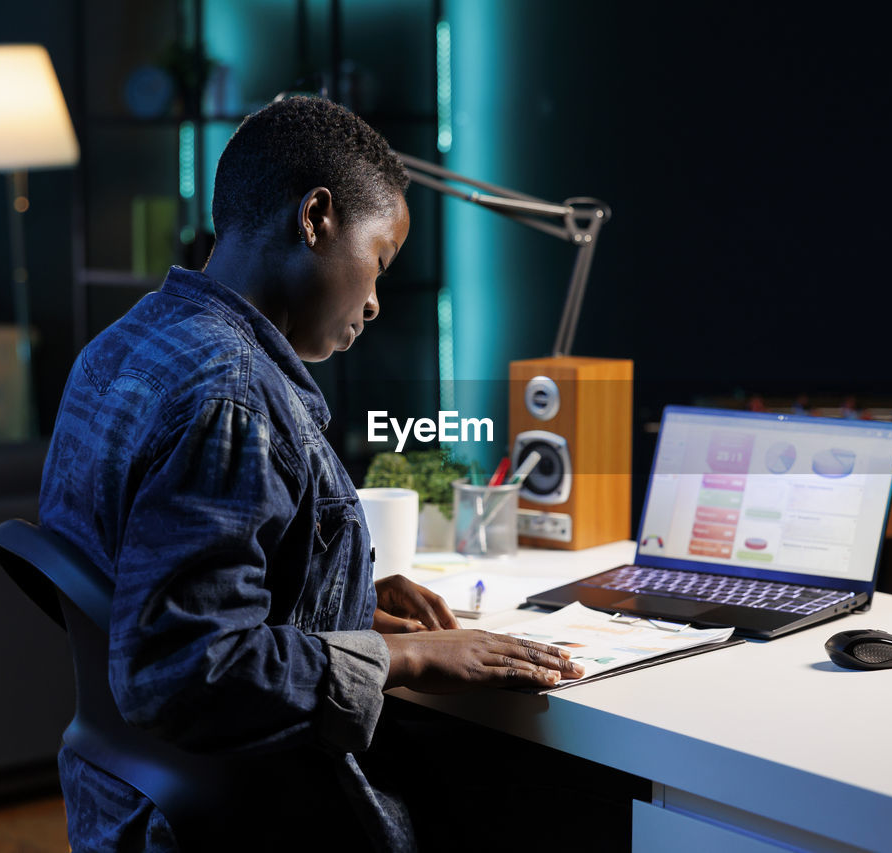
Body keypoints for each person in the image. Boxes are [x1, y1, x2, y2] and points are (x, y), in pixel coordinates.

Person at [38, 95, 583, 852]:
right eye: (380, 261)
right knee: (573, 800)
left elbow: (159, 578)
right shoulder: (232, 396)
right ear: (316, 217)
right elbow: (189, 667)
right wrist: (404, 653)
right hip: (254, 821)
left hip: (121, 803)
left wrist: (338, 595)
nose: (375, 301)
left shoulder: (120, 349)